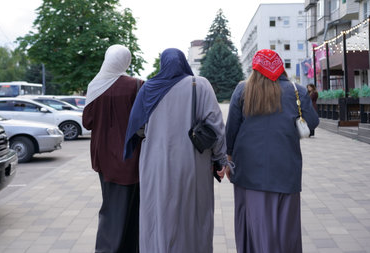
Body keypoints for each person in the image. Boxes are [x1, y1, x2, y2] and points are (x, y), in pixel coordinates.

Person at [124, 48, 227, 253]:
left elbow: (138, 128)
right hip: (192, 163)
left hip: (156, 163)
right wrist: (220, 159)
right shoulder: (200, 85)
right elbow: (216, 126)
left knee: (159, 213)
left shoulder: (149, 88)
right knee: (193, 214)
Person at [225, 49, 319, 253]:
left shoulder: (243, 90)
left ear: (255, 68)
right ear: (280, 67)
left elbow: (231, 131)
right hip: (286, 170)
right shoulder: (297, 91)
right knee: (285, 228)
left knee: (254, 223)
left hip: (248, 171)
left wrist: (228, 160)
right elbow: (312, 123)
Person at [83, 45, 143, 253]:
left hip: (104, 158)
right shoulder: (136, 85)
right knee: (132, 208)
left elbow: (87, 122)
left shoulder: (95, 85)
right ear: (126, 61)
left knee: (111, 205)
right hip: (131, 156)